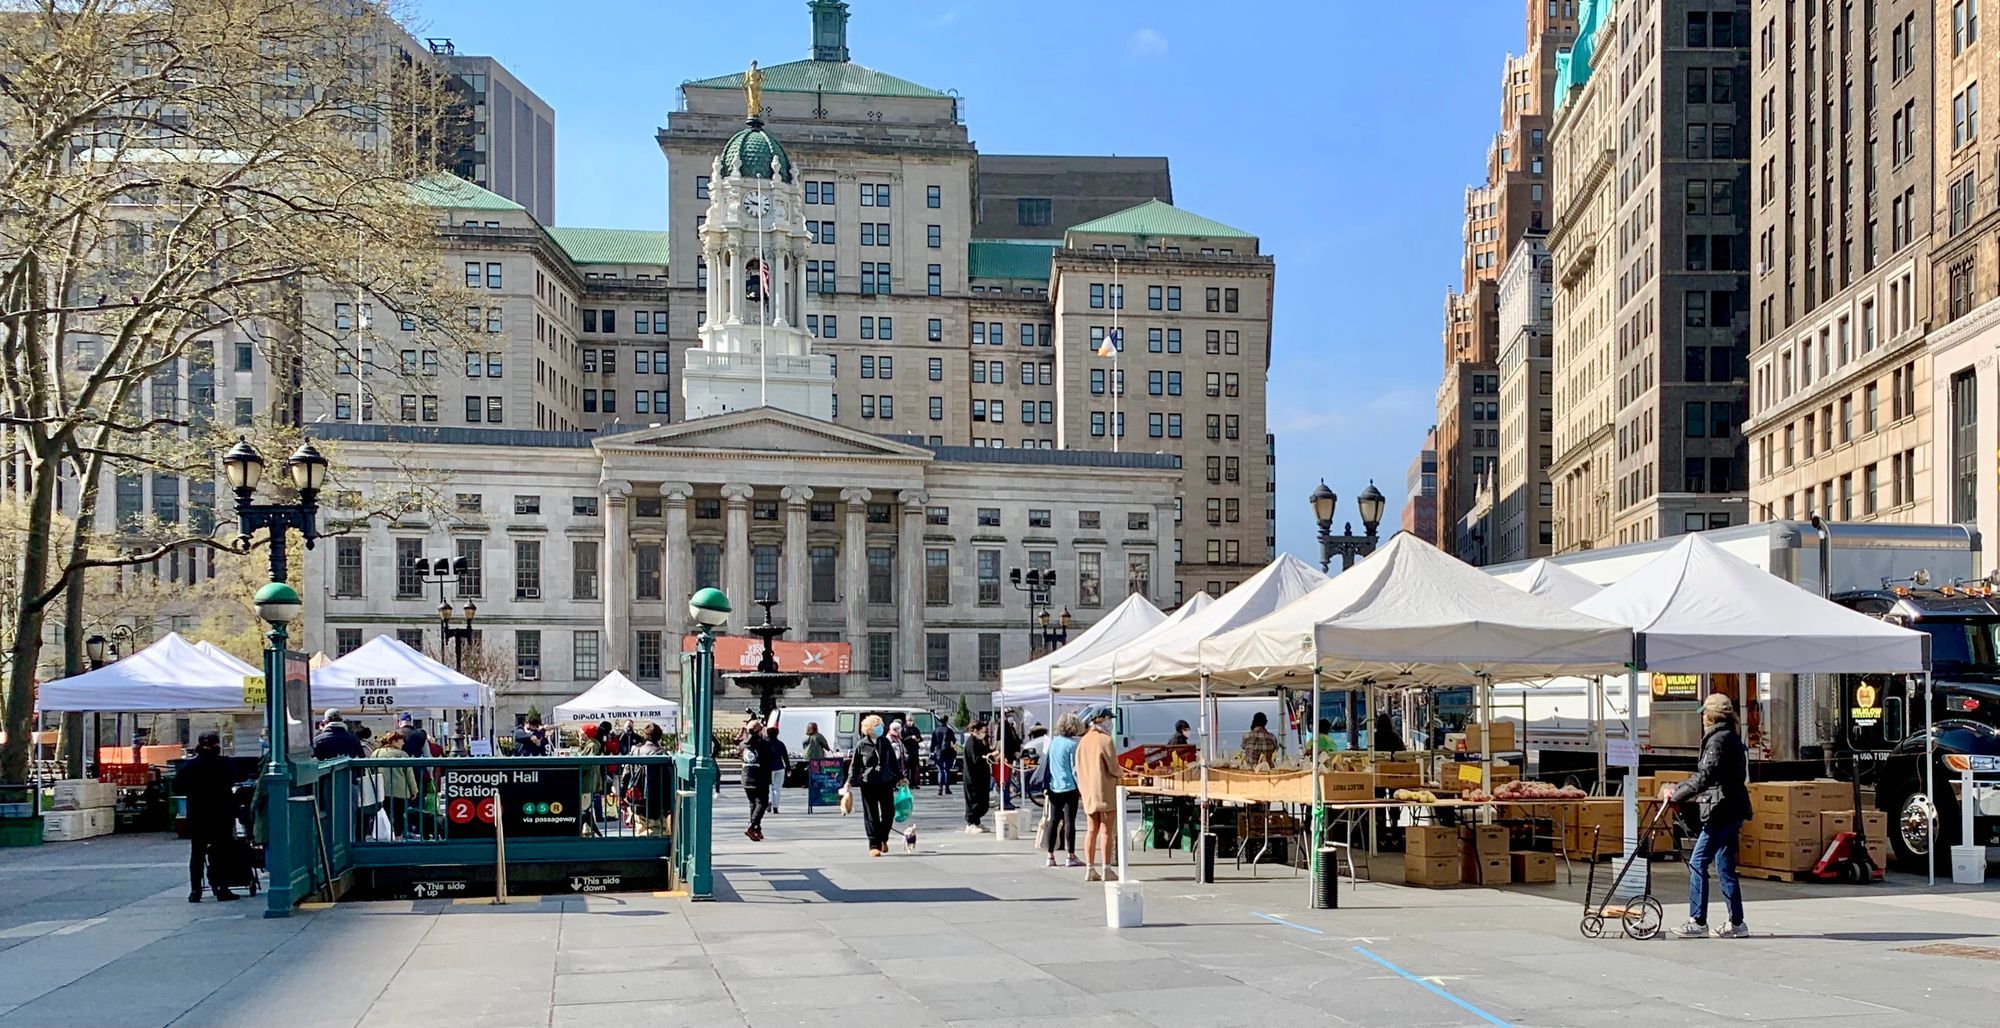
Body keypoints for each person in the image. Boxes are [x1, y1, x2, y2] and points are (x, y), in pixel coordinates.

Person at [1663, 693, 1752, 939]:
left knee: (1698, 861)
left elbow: (1706, 775)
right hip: (1733, 808)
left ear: (1713, 715)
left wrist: (1677, 794)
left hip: (1721, 809)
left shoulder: (1718, 740)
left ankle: (1698, 920)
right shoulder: (1731, 737)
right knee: (1724, 866)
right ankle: (1737, 923)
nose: (1702, 717)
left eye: (1705, 712)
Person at [177, 732, 242, 903]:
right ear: (217, 746)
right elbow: (236, 779)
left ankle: (195, 890)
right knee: (221, 851)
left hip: (198, 815)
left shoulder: (189, 766)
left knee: (197, 853)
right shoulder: (225, 764)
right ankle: (222, 888)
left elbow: (178, 787)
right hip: (221, 814)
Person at [1075, 705, 1121, 881]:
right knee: (1107, 831)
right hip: (1105, 789)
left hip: (1088, 790)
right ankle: (1107, 868)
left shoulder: (1084, 741)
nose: (1111, 723)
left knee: (1091, 830)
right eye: (1109, 719)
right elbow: (1114, 768)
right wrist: (1122, 773)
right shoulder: (1105, 740)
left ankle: (1089, 868)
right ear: (1102, 719)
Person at [846, 714, 900, 856]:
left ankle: (883, 837)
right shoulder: (862, 744)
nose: (880, 728)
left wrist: (900, 777)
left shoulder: (885, 742)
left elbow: (893, 762)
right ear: (869, 729)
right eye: (877, 726)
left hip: (885, 782)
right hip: (868, 783)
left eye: (881, 725)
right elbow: (854, 765)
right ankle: (874, 844)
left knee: (889, 812)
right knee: (872, 815)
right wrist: (849, 782)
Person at [1043, 713, 1086, 869]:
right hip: (1069, 786)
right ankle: (1070, 855)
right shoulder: (1073, 745)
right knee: (1069, 822)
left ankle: (1050, 856)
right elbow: (1075, 769)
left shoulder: (1054, 742)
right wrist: (1081, 786)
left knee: (1053, 821)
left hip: (1054, 785)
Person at [624, 723, 671, 836]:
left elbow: (626, 774)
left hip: (638, 799)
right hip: (657, 802)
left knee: (641, 829)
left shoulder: (635, 751)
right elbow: (667, 781)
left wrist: (622, 795)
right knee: (660, 831)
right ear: (659, 737)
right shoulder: (662, 754)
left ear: (645, 736)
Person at [370, 730, 418, 839]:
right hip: (400, 791)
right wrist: (414, 790)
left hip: (381, 791)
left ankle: (384, 835)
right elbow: (409, 775)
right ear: (394, 741)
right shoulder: (402, 755)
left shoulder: (376, 753)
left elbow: (371, 770)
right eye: (401, 740)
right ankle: (397, 836)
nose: (403, 743)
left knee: (384, 813)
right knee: (399, 815)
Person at [741, 719, 773, 841]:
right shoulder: (763, 743)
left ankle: (756, 828)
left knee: (753, 803)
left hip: (746, 777)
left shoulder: (744, 743)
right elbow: (769, 758)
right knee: (762, 802)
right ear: (759, 730)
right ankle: (751, 825)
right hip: (759, 778)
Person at [961, 718, 993, 833]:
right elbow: (977, 759)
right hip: (973, 777)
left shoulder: (979, 742)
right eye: (983, 731)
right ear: (976, 730)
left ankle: (977, 822)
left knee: (982, 801)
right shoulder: (971, 743)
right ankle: (970, 823)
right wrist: (988, 757)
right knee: (973, 800)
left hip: (981, 777)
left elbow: (986, 752)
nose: (984, 734)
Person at [577, 724, 607, 834]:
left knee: (584, 809)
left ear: (587, 734)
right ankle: (587, 829)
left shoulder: (592, 746)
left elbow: (588, 764)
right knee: (584, 809)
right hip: (587, 782)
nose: (579, 735)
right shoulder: (589, 745)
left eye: (581, 733)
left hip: (587, 783)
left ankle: (588, 830)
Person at [764, 724, 791, 815]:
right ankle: (776, 807)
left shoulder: (765, 744)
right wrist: (788, 768)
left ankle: (769, 801)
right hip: (780, 767)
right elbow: (785, 757)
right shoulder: (781, 744)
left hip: (768, 768)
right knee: (777, 788)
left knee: (768, 787)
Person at [1000, 719, 1023, 810]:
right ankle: (1005, 801)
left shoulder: (1010, 726)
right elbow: (1005, 741)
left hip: (1009, 756)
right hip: (1007, 757)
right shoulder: (1004, 725)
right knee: (1006, 780)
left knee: (1007, 780)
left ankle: (1007, 800)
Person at [932, 721, 957, 796]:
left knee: (940, 770)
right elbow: (954, 741)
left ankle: (940, 789)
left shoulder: (936, 730)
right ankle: (947, 788)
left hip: (939, 751)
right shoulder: (949, 730)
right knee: (947, 770)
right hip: (948, 751)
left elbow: (933, 742)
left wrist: (931, 751)